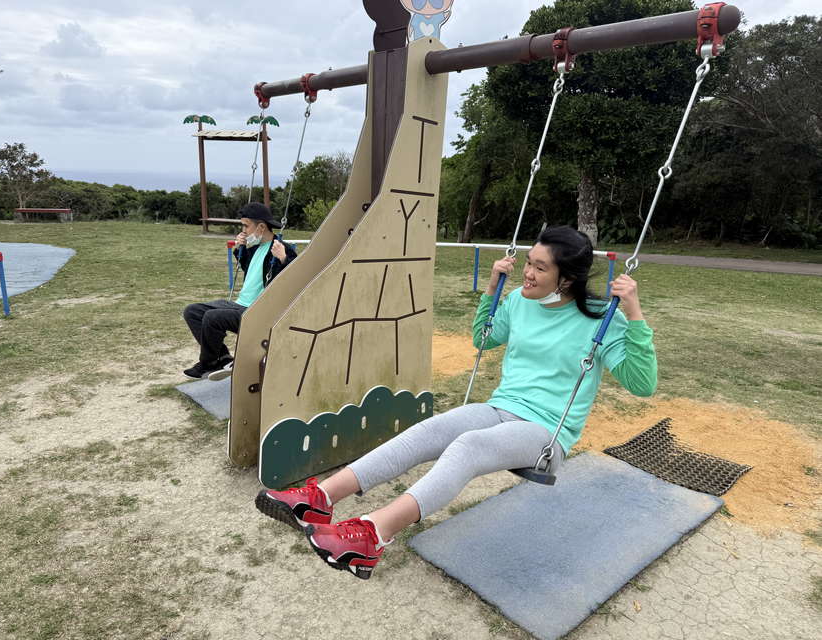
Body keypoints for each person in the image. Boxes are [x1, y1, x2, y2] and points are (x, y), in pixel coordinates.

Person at [255, 226, 657, 580]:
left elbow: (642, 384)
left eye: (539, 267)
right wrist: (491, 291)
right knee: (432, 428)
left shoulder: (603, 318)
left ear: (566, 279)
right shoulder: (519, 299)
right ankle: (320, 499)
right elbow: (485, 339)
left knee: (467, 446)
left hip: (546, 432)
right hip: (502, 407)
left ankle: (373, 534)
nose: (527, 272)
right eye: (528, 262)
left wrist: (635, 312)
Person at [182, 202, 297, 380]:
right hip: (240, 305)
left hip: (259, 312)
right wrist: (241, 248)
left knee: (213, 318)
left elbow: (294, 281)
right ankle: (222, 357)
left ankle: (207, 363)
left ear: (261, 227)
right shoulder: (255, 247)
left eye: (245, 225)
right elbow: (247, 269)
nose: (243, 231)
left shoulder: (282, 249)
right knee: (192, 311)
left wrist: (283, 259)